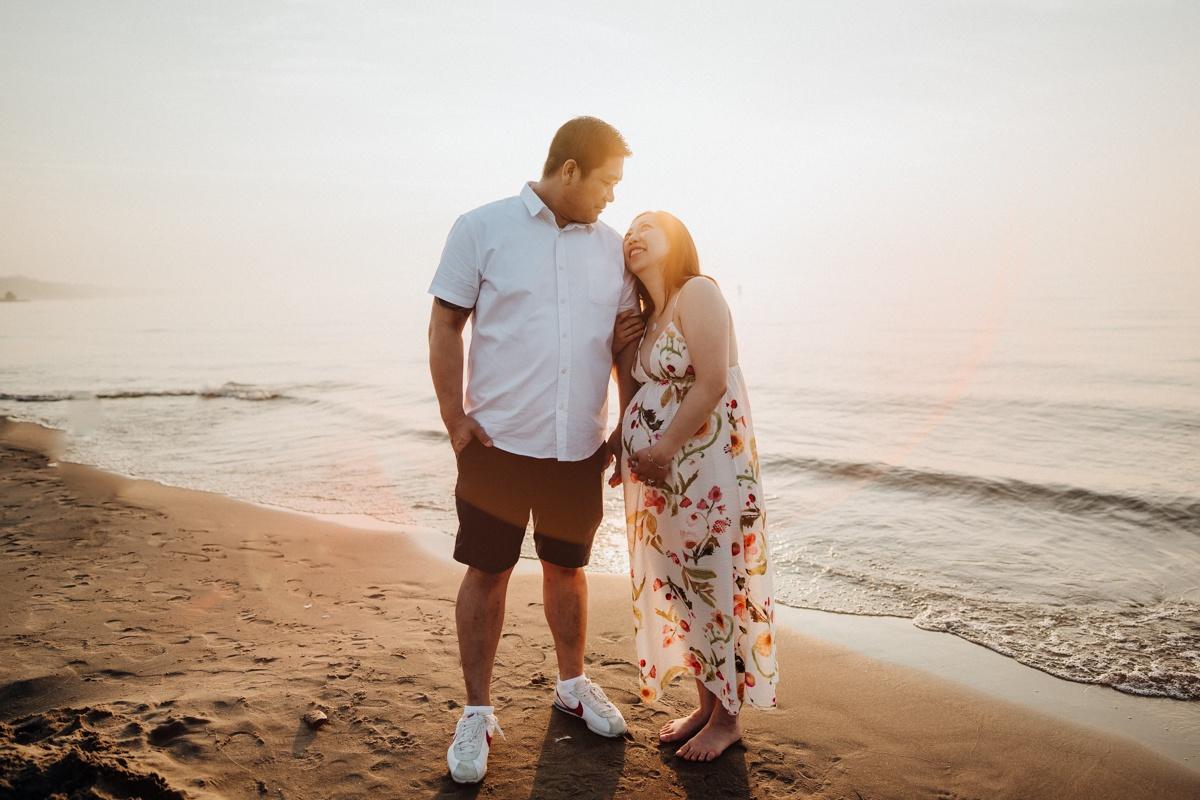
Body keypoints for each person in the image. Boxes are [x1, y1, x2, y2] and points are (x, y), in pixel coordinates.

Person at [428, 117, 644, 784]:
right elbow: (445, 323)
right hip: (496, 444)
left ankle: (572, 685)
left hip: (577, 448)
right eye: (606, 181)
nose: (613, 195)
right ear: (570, 170)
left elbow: (624, 345)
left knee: (567, 569)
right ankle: (477, 711)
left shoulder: (613, 249)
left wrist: (625, 424)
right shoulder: (481, 227)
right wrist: (454, 419)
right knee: (487, 571)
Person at [612, 210, 779, 761]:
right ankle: (707, 706)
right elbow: (643, 394)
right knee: (684, 587)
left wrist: (662, 449)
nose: (633, 236)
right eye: (629, 231)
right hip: (664, 479)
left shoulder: (697, 292)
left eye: (648, 227)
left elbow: (711, 383)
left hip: (705, 470)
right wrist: (623, 442)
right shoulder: (649, 318)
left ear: (677, 240)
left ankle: (728, 718)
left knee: (716, 580)